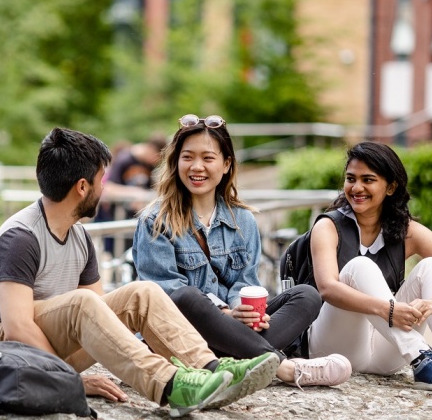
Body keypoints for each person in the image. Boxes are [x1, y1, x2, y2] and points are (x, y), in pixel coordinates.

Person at [0, 127, 280, 418]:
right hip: (0, 356)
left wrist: (140, 345)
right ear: (82, 187)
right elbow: (17, 327)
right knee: (82, 303)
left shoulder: (80, 237)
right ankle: (171, 386)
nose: (107, 188)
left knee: (143, 293)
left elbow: (105, 319)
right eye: (103, 180)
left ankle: (211, 369)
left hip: (44, 349)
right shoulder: (21, 238)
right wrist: (70, 380)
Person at [132, 114, 352, 388]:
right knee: (186, 296)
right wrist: (224, 314)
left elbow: (246, 283)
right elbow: (164, 297)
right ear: (176, 163)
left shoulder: (243, 221)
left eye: (208, 158)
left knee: (306, 295)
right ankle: (284, 368)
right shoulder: (155, 220)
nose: (196, 166)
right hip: (179, 336)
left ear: (226, 165)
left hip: (232, 332)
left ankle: (235, 361)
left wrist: (242, 310)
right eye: (187, 157)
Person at [305, 141, 432, 392]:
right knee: (360, 265)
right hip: (334, 347)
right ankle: (422, 356)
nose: (357, 187)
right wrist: (389, 310)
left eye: (368, 180)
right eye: (351, 178)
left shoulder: (405, 230)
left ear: (391, 187)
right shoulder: (328, 226)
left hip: (385, 354)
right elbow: (327, 288)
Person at [95, 134, 168, 253]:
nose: (155, 161)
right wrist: (137, 194)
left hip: (138, 221)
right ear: (150, 148)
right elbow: (109, 188)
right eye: (156, 157)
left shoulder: (148, 164)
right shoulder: (125, 159)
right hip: (119, 220)